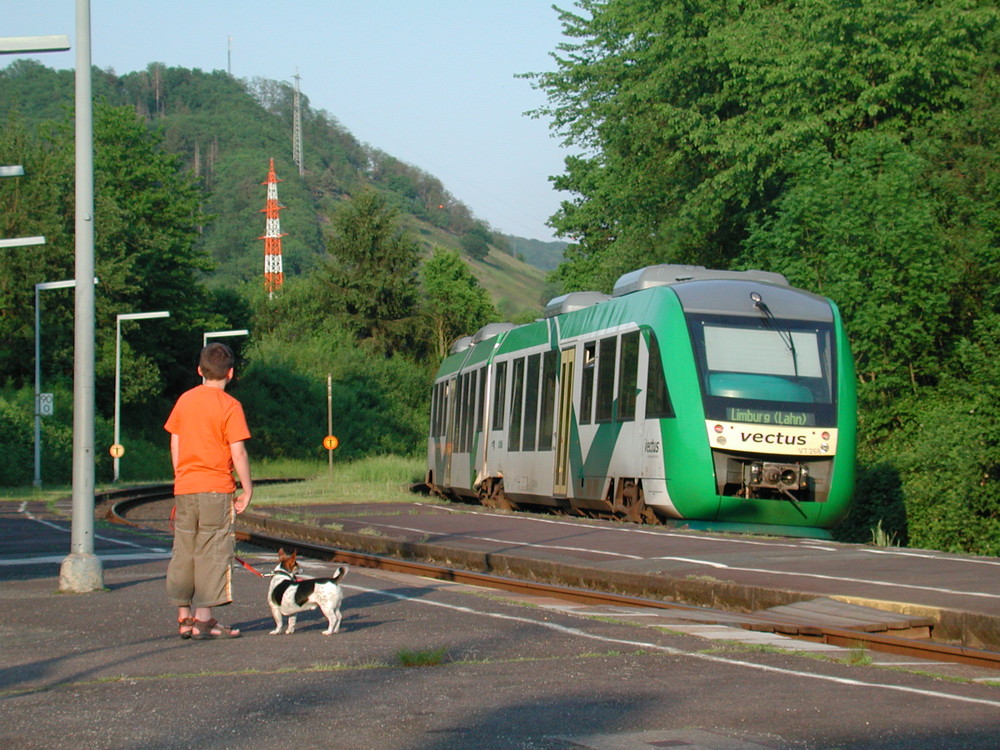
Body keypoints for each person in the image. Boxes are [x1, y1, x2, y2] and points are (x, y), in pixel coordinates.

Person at [164, 343, 253, 640]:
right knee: (212, 551)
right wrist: (247, 489)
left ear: (199, 370)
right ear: (230, 373)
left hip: (186, 487)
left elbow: (175, 443)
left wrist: (181, 477)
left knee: (184, 550)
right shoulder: (230, 406)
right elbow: (237, 452)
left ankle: (183, 617)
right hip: (216, 489)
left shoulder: (185, 401)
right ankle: (204, 620)